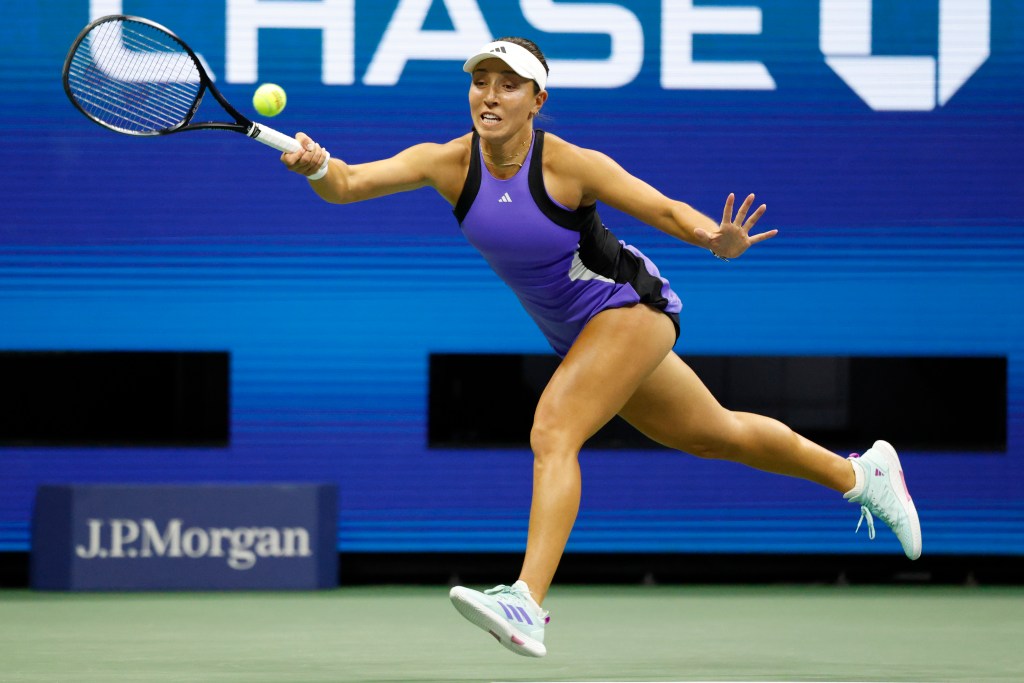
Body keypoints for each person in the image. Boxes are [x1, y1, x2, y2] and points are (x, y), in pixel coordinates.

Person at [281, 37, 922, 658]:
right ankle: (864, 475)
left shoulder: (568, 165)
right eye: (481, 82)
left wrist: (715, 239)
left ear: (537, 99)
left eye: (509, 85)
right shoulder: (446, 163)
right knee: (717, 433)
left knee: (553, 429)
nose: (490, 95)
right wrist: (316, 166)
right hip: (581, 335)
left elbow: (667, 210)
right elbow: (349, 182)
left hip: (630, 309)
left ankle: (526, 600)